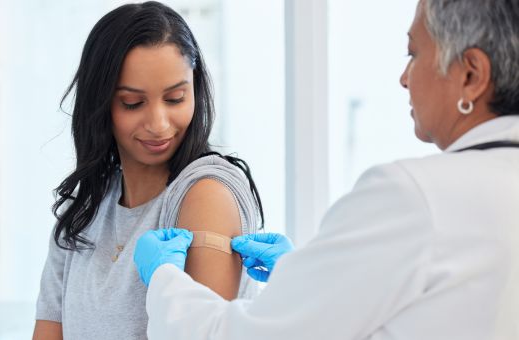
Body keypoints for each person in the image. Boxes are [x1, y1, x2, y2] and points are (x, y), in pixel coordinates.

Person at [133, 0, 519, 339]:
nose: (404, 78)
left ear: (471, 75)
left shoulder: (414, 195)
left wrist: (166, 281)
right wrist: (301, 277)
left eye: (413, 54)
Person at [32, 2, 264, 339]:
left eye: (175, 98)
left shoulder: (206, 193)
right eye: (132, 103)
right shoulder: (81, 212)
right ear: (100, 103)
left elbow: (203, 333)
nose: (159, 124)